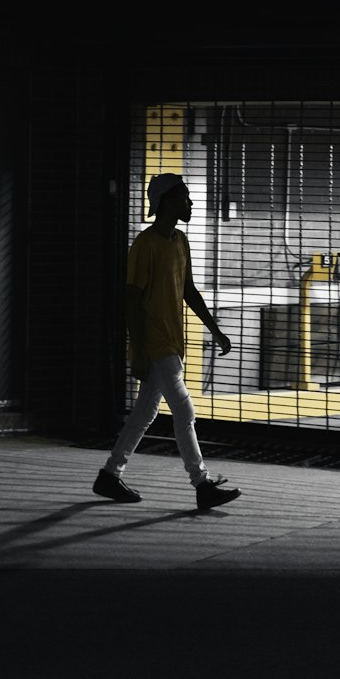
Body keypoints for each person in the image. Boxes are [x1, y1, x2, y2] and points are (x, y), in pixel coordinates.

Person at [94, 173, 241, 511]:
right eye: (185, 197)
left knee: (144, 414)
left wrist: (215, 330)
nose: (190, 203)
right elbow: (131, 299)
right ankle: (201, 484)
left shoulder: (179, 241)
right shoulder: (145, 245)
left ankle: (110, 475)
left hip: (173, 342)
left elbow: (188, 290)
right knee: (184, 411)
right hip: (156, 344)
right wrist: (139, 350)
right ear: (168, 202)